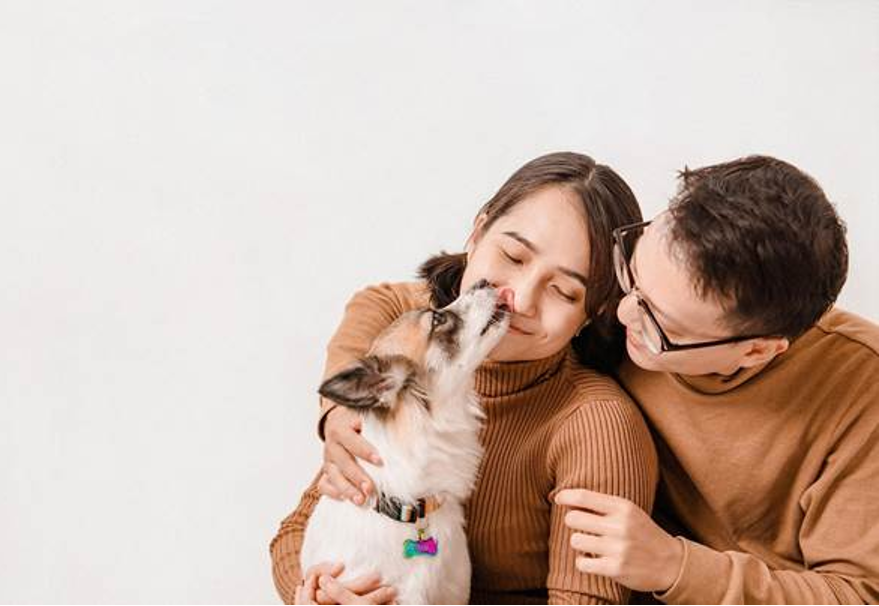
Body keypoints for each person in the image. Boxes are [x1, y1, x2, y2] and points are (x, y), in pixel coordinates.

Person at [270, 152, 659, 604]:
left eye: (563, 290)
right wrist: (319, 592)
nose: (518, 299)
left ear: (594, 312)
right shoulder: (411, 381)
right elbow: (299, 532)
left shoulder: (596, 425)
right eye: (513, 255)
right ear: (477, 232)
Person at [552, 155, 879, 603]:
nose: (623, 311)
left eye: (661, 323)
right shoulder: (628, 285)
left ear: (757, 351)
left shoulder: (862, 391)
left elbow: (859, 594)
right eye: (634, 272)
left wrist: (674, 566)